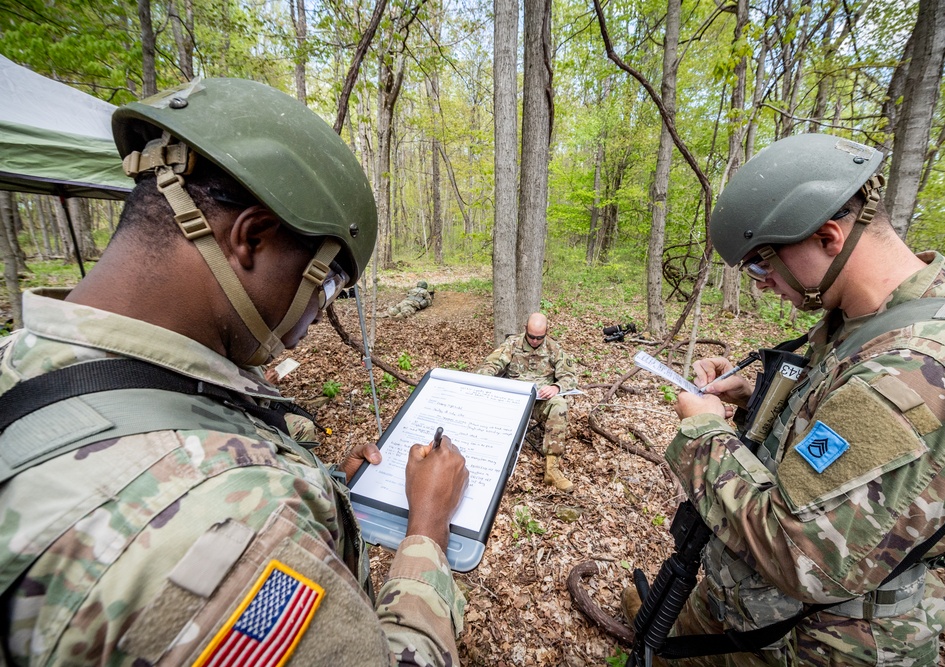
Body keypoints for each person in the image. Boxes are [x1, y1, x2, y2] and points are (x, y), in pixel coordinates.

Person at [0, 79, 469, 666]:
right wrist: (428, 527)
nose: (321, 316)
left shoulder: (29, 358)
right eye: (327, 285)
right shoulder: (228, 532)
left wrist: (326, 488)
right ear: (249, 238)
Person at [627, 133, 945, 665]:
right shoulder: (871, 323)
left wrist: (704, 435)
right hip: (760, 616)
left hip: (822, 644)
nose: (760, 284)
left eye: (761, 263)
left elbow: (805, 554)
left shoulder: (923, 371)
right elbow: (841, 429)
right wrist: (758, 397)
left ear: (828, 236)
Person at [476, 313, 578, 492]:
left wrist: (556, 386)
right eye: (531, 336)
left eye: (540, 337)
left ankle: (551, 469)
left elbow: (570, 376)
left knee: (560, 405)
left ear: (547, 331)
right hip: (512, 401)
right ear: (525, 329)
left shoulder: (554, 348)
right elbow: (491, 364)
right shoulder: (512, 344)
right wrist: (485, 377)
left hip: (539, 402)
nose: (535, 341)